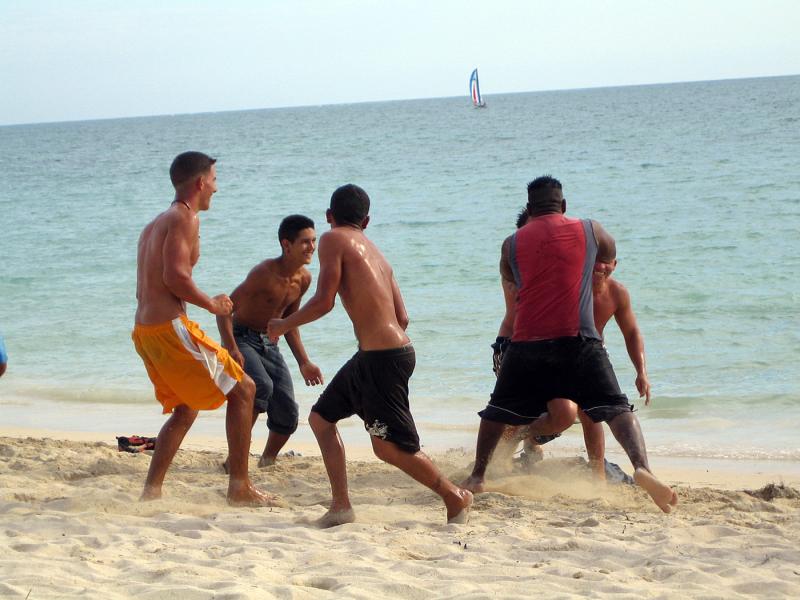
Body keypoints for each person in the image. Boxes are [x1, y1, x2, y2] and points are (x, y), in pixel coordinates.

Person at [463, 176, 676, 513]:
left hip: (528, 342)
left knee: (496, 411)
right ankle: (643, 468)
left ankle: (476, 477)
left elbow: (513, 277)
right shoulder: (591, 230)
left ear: (530, 209)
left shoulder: (512, 243)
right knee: (617, 409)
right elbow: (609, 251)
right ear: (563, 206)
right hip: (580, 341)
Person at [267, 184, 473, 527]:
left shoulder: (334, 239)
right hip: (381, 353)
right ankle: (341, 507)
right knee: (321, 419)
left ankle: (454, 495)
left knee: (388, 448)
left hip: (383, 358)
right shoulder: (378, 254)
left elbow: (324, 300)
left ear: (330, 217)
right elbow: (403, 318)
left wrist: (283, 324)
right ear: (367, 220)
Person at [132, 151, 272, 506]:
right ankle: (239, 486)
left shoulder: (154, 224)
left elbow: (143, 287)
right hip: (167, 327)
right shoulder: (184, 217)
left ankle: (152, 491)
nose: (216, 188)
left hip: (145, 332)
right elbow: (175, 277)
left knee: (186, 408)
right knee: (244, 388)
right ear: (199, 183)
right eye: (214, 180)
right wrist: (212, 304)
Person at [496, 209, 652, 480]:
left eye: (607, 262)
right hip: (521, 348)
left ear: (615, 264)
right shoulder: (533, 271)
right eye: (595, 262)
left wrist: (641, 371)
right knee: (557, 412)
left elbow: (631, 332)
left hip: (580, 353)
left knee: (590, 412)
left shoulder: (614, 291)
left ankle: (598, 475)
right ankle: (515, 442)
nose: (600, 268)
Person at [216, 214, 324, 471]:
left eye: (314, 241)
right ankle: (236, 459)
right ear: (286, 245)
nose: (312, 247)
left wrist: (304, 362)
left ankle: (267, 461)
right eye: (305, 242)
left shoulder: (304, 279)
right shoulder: (263, 274)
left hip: (270, 344)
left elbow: (289, 323)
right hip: (242, 337)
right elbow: (224, 310)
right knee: (260, 386)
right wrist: (231, 347)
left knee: (288, 412)